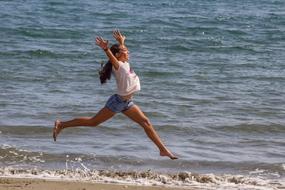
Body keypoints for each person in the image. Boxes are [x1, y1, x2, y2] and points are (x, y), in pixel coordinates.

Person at [53, 30, 178, 160]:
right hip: (117, 102)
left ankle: (163, 150)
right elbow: (112, 56)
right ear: (118, 55)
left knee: (146, 122)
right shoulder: (117, 65)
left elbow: (121, 51)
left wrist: (121, 42)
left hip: (127, 103)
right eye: (125, 51)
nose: (128, 52)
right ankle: (61, 124)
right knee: (93, 122)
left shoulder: (125, 62)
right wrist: (106, 49)